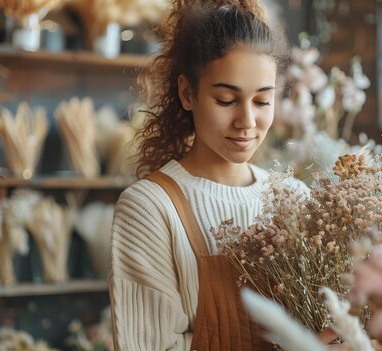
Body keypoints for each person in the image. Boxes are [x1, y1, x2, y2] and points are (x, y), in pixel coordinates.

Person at [109, 1, 288, 350]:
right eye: (226, 100)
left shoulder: (294, 198)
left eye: (263, 101)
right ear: (187, 93)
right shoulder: (149, 209)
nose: (247, 122)